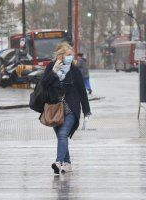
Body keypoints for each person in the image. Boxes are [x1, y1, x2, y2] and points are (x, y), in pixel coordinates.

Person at [41, 42, 91, 175]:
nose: (71, 57)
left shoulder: (75, 70)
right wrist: (54, 72)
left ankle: (58, 162)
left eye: (72, 55)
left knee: (63, 134)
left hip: (71, 108)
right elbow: (44, 85)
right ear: (61, 56)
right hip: (55, 109)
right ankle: (67, 164)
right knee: (61, 137)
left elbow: (82, 91)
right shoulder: (51, 67)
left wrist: (86, 111)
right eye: (68, 55)